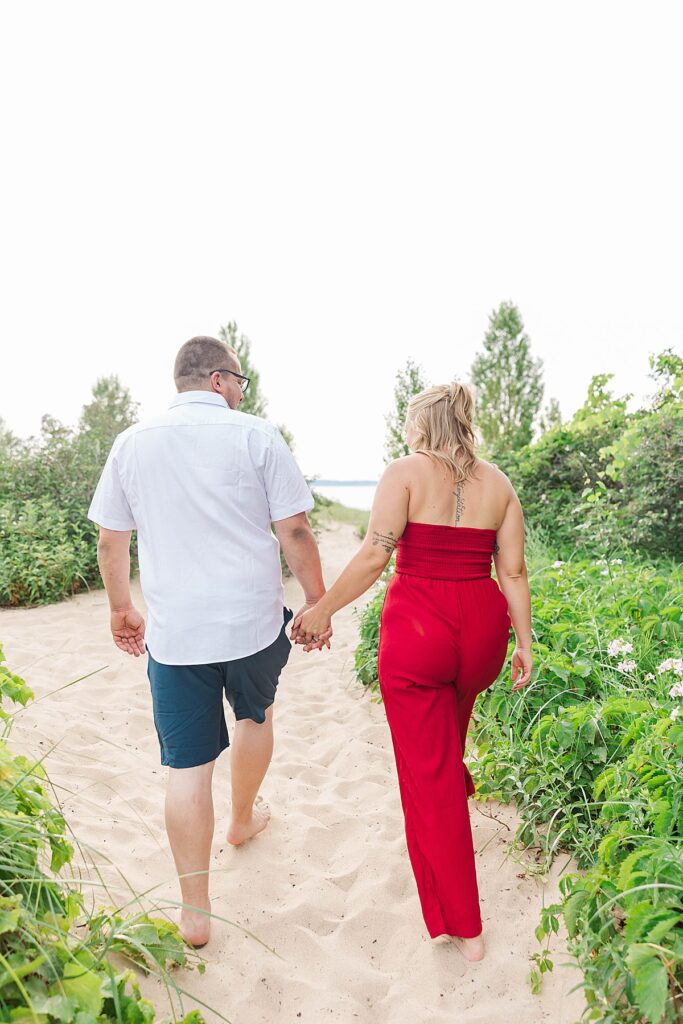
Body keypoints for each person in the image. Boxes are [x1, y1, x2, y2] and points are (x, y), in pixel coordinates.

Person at [87, 335, 329, 949]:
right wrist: (317, 602)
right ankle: (243, 818)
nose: (243, 391)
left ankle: (195, 912)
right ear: (220, 379)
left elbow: (112, 541)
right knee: (254, 716)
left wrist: (122, 608)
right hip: (251, 623)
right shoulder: (257, 435)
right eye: (241, 380)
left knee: (188, 765)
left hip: (175, 634)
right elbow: (295, 529)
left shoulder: (132, 444)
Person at [291, 381, 533, 963]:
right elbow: (516, 572)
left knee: (430, 777)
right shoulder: (499, 484)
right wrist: (525, 642)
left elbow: (377, 554)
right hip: (481, 636)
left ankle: (466, 928)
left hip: (420, 631)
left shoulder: (404, 472)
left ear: (421, 423)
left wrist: (322, 610)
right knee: (443, 747)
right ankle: (453, 777)